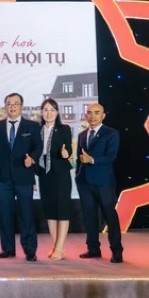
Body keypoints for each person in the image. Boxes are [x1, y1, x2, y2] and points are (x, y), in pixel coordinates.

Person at [0, 92, 42, 262]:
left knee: (27, 214)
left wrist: (32, 158)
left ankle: (30, 250)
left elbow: (38, 146)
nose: (12, 106)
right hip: (2, 178)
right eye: (9, 104)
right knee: (5, 214)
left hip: (24, 176)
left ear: (22, 106)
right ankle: (8, 249)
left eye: (16, 103)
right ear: (5, 107)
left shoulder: (32, 126)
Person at [75, 103, 123, 263]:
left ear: (103, 115)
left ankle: (117, 251)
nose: (92, 116)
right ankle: (93, 249)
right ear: (86, 115)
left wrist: (92, 160)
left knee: (110, 216)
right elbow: (79, 158)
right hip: (84, 182)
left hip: (104, 182)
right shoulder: (82, 135)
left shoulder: (111, 133)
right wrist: (78, 175)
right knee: (89, 217)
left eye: (97, 113)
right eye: (89, 113)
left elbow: (111, 156)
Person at [36, 98, 73, 261]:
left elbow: (68, 149)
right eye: (45, 110)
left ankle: (59, 247)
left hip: (60, 173)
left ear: (57, 112)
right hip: (44, 172)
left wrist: (66, 154)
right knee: (50, 210)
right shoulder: (37, 130)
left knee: (62, 209)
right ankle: (55, 246)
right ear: (41, 112)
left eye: (52, 110)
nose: (48, 113)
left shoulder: (64, 129)